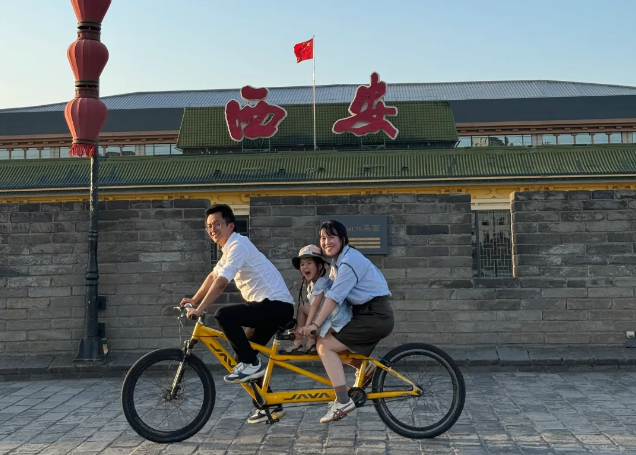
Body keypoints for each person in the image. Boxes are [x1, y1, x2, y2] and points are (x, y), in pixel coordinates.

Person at [182, 203, 294, 424]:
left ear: (230, 226)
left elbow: (222, 283)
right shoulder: (228, 249)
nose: (212, 229)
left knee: (224, 315)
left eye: (217, 224)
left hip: (276, 306)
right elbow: (214, 276)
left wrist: (200, 309)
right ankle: (270, 405)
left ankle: (252, 365)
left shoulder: (239, 245)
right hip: (268, 308)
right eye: (209, 226)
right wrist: (194, 299)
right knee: (240, 357)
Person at [298, 220, 394, 423]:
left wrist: (315, 325)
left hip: (375, 315)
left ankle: (343, 400)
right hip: (363, 313)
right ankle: (363, 367)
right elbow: (327, 299)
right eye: (323, 238)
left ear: (342, 239)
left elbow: (334, 297)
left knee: (325, 347)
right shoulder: (337, 263)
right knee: (326, 340)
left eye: (331, 237)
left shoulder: (349, 262)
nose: (326, 242)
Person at [281, 245, 352, 355]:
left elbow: (315, 305)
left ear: (319, 266)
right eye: (302, 264)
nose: (305, 267)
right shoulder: (312, 285)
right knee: (334, 352)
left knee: (302, 308)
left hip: (334, 317)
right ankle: (311, 343)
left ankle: (298, 341)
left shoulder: (322, 282)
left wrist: (307, 326)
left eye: (309, 263)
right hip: (329, 318)